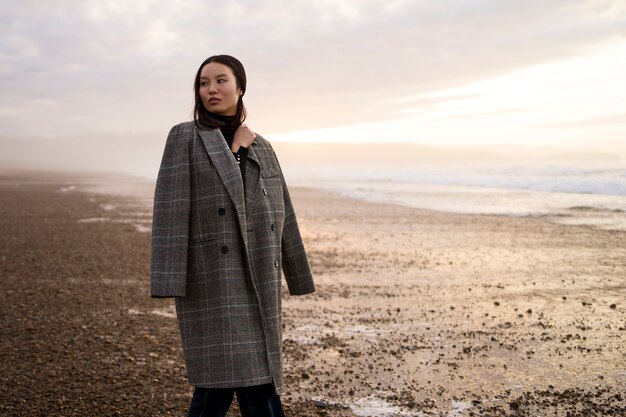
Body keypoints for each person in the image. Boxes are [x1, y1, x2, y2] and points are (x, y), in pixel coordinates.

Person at [150, 55, 315, 417]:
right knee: (242, 378)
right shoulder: (185, 136)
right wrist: (168, 277)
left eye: (221, 81)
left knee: (227, 381)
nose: (211, 89)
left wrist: (297, 273)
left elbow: (282, 209)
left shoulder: (263, 146)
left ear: (240, 88)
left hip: (259, 273)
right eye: (204, 82)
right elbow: (170, 207)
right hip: (213, 277)